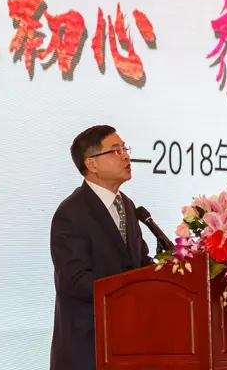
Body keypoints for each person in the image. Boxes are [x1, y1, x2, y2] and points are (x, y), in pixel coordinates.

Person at [49, 125, 152, 370]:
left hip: (127, 346)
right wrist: (127, 292)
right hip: (88, 349)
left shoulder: (127, 206)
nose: (126, 156)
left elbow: (140, 263)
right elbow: (75, 281)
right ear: (91, 164)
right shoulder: (71, 212)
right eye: (116, 151)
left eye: (125, 149)